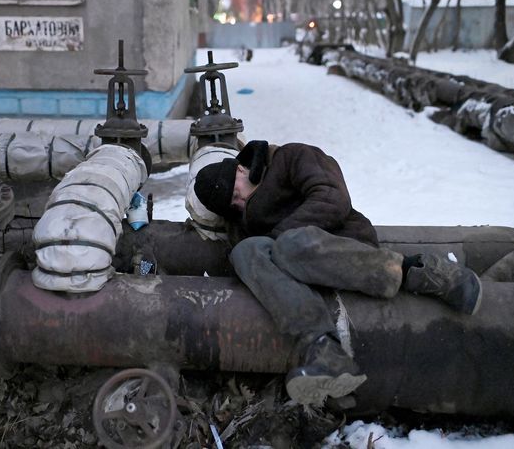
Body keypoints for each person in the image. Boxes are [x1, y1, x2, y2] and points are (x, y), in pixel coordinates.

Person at [193, 140, 482, 406]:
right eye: (232, 206)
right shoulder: (243, 221)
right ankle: (323, 349)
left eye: (236, 194)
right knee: (246, 251)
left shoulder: (290, 157)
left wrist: (280, 239)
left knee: (290, 245)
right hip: (298, 275)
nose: (239, 204)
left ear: (242, 169)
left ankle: (421, 272)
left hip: (343, 248)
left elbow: (332, 198)